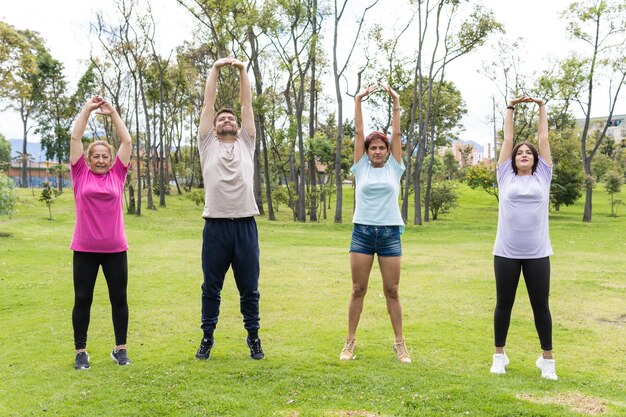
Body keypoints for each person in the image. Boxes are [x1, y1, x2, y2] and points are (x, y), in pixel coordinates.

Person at [194, 57, 264, 361]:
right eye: (221, 119)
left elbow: (247, 106)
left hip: (245, 226)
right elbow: (208, 104)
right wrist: (215, 70)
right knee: (211, 288)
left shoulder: (246, 142)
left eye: (230, 119)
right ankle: (207, 338)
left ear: (237, 126)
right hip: (216, 228)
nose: (226, 120)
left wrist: (242, 71)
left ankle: (254, 338)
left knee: (250, 289)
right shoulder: (206, 143)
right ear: (213, 126)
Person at [340, 84, 411, 364]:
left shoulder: (395, 166)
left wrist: (395, 101)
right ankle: (349, 342)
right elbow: (358, 133)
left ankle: (400, 344)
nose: (378, 151)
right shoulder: (361, 167)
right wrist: (358, 100)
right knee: (359, 289)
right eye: (374, 148)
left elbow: (397, 134)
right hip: (363, 233)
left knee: (392, 290)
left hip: (390, 233)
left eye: (382, 148)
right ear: (367, 151)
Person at [490, 96, 557, 380]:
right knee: (503, 303)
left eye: (529, 152)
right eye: (520, 153)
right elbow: (507, 139)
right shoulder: (505, 176)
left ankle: (548, 360)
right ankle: (499, 355)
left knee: (540, 306)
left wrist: (542, 107)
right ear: (514, 159)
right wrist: (511, 107)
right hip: (506, 252)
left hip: (538, 253)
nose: (525, 154)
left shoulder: (543, 176)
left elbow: (543, 138)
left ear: (536, 159)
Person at [69, 96, 133, 370]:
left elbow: (127, 142)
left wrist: (113, 113)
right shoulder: (79, 173)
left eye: (105, 156)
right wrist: (87, 109)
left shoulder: (118, 174)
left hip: (115, 249)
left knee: (118, 298)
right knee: (83, 298)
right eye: (95, 156)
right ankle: (81, 352)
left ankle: (120, 349)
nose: (101, 159)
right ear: (88, 159)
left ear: (111, 159)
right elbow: (74, 138)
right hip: (84, 248)